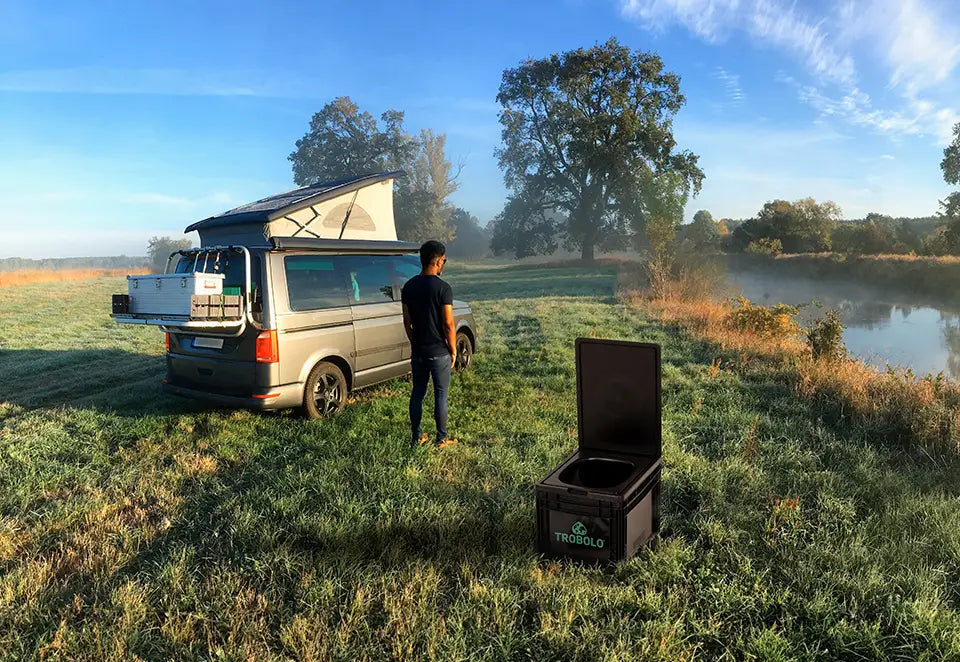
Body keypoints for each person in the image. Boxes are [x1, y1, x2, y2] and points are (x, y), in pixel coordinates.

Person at [401, 240, 458, 449]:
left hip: (419, 351)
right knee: (441, 394)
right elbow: (448, 324)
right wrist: (452, 350)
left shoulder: (408, 287)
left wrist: (414, 341)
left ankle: (416, 437)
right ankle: (441, 439)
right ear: (439, 260)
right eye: (444, 260)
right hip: (439, 352)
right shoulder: (443, 288)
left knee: (418, 392)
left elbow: (407, 321)